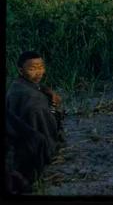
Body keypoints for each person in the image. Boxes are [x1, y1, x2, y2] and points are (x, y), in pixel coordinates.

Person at [6, 51, 65, 185]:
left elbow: (37, 87)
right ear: (21, 70)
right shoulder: (33, 101)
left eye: (41, 67)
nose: (39, 72)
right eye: (32, 69)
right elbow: (42, 133)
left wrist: (48, 92)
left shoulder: (18, 84)